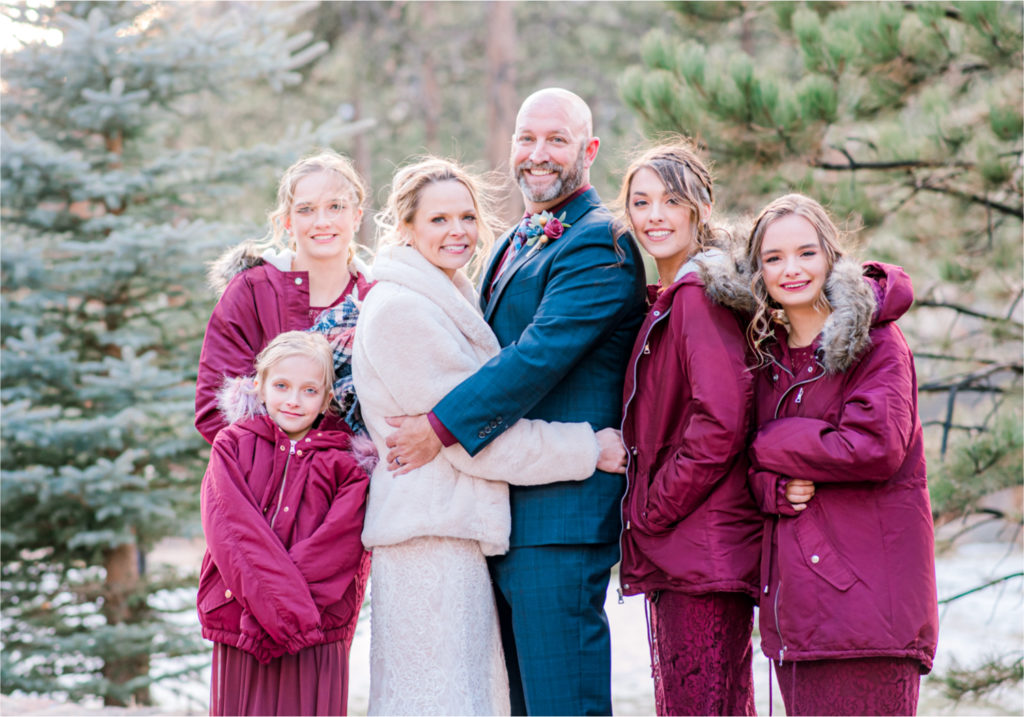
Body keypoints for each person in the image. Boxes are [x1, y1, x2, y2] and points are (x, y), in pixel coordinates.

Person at [382, 89, 647, 715]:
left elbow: (537, 355)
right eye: (527, 138)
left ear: (589, 150)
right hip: (506, 507)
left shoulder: (600, 242)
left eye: (556, 140)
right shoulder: (510, 243)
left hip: (561, 517)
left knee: (563, 701)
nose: (538, 154)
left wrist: (440, 426)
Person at [743, 194, 939, 715]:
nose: (791, 269)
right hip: (800, 615)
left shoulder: (878, 343)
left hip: (871, 612)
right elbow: (751, 472)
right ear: (757, 272)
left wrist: (772, 440)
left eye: (806, 253)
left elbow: (874, 448)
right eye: (773, 258)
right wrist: (773, 487)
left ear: (831, 256)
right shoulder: (769, 362)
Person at [616, 140, 761, 716]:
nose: (654, 216)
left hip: (701, 547)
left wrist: (654, 506)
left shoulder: (698, 295)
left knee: (697, 705)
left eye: (671, 201)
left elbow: (721, 420)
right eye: (641, 201)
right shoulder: (673, 296)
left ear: (700, 207)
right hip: (693, 546)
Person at [198, 331, 372, 716]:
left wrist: (282, 619)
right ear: (258, 386)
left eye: (309, 390)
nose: (294, 400)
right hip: (241, 623)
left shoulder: (347, 466)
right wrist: (275, 613)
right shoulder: (232, 445)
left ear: (328, 399)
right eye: (281, 386)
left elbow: (337, 551)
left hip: (315, 630)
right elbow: (232, 533)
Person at [195, 150, 373, 444]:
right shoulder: (253, 289)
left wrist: (333, 470)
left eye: (336, 207)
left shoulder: (376, 299)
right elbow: (214, 409)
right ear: (287, 221)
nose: (322, 221)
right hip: (264, 480)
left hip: (354, 483)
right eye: (306, 210)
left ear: (356, 217)